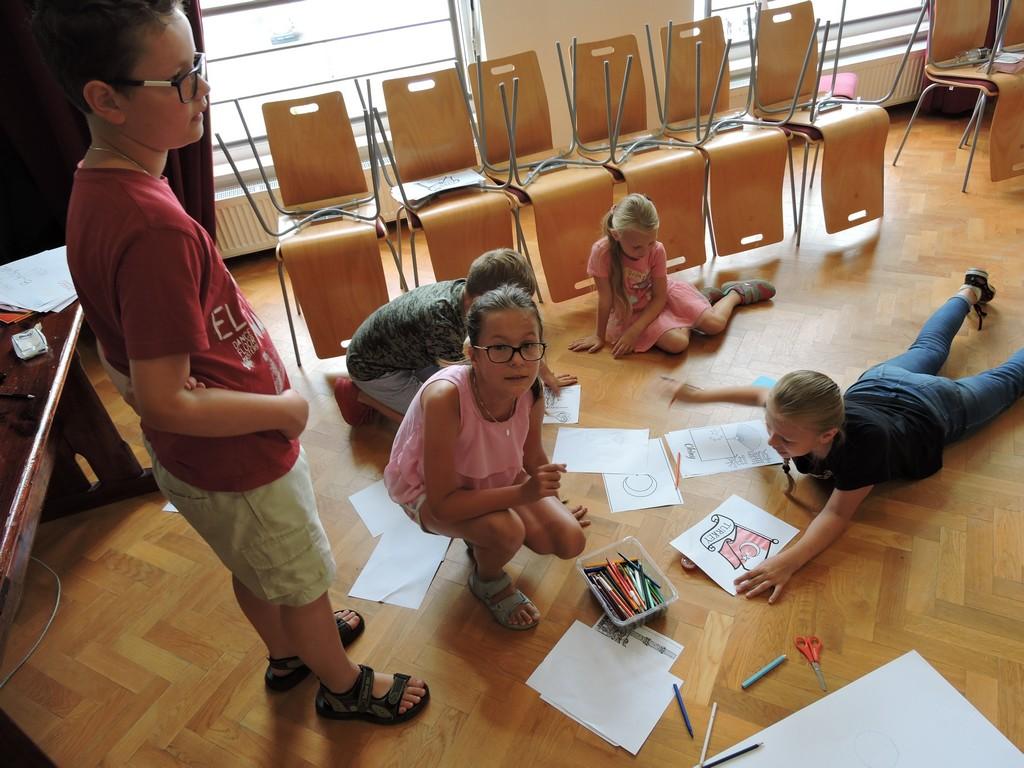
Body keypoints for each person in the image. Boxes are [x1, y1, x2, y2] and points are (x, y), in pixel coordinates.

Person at [32, 0, 427, 724]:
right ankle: (343, 686)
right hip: (237, 458)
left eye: (200, 66)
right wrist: (285, 408)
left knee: (258, 566)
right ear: (106, 99)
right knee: (302, 580)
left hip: (206, 460)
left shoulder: (101, 187)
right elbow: (166, 398)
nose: (203, 90)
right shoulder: (152, 227)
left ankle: (289, 651)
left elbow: (146, 364)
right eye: (181, 78)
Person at [671, 270, 1020, 603]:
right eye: (770, 427)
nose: (772, 442)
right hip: (882, 381)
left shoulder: (862, 449)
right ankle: (969, 291)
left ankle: (969, 292)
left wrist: (789, 561)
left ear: (828, 435)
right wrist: (699, 396)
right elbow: (759, 394)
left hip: (935, 406)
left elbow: (837, 514)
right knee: (930, 346)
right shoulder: (795, 412)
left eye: (786, 440)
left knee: (1008, 380)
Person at [384, 285, 589, 629]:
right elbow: (443, 505)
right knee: (507, 531)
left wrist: (550, 497)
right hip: (433, 493)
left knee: (569, 540)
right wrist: (524, 495)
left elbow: (532, 457)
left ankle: (480, 535)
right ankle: (487, 580)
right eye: (499, 348)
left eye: (528, 345)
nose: (517, 360)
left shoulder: (531, 389)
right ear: (473, 354)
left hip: (492, 477)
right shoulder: (446, 397)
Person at [336, 247, 577, 425]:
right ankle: (362, 396)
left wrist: (545, 376)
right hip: (375, 369)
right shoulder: (442, 323)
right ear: (483, 300)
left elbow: (519, 340)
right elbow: (468, 378)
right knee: (439, 416)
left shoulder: (470, 294)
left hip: (412, 352)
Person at [569, 193, 776, 358]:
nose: (646, 251)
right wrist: (599, 335)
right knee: (678, 344)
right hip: (632, 312)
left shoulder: (657, 250)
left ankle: (735, 293)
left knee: (715, 325)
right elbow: (605, 298)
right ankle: (702, 301)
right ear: (616, 235)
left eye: (651, 242)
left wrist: (635, 332)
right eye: (637, 247)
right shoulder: (601, 252)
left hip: (661, 298)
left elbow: (660, 297)